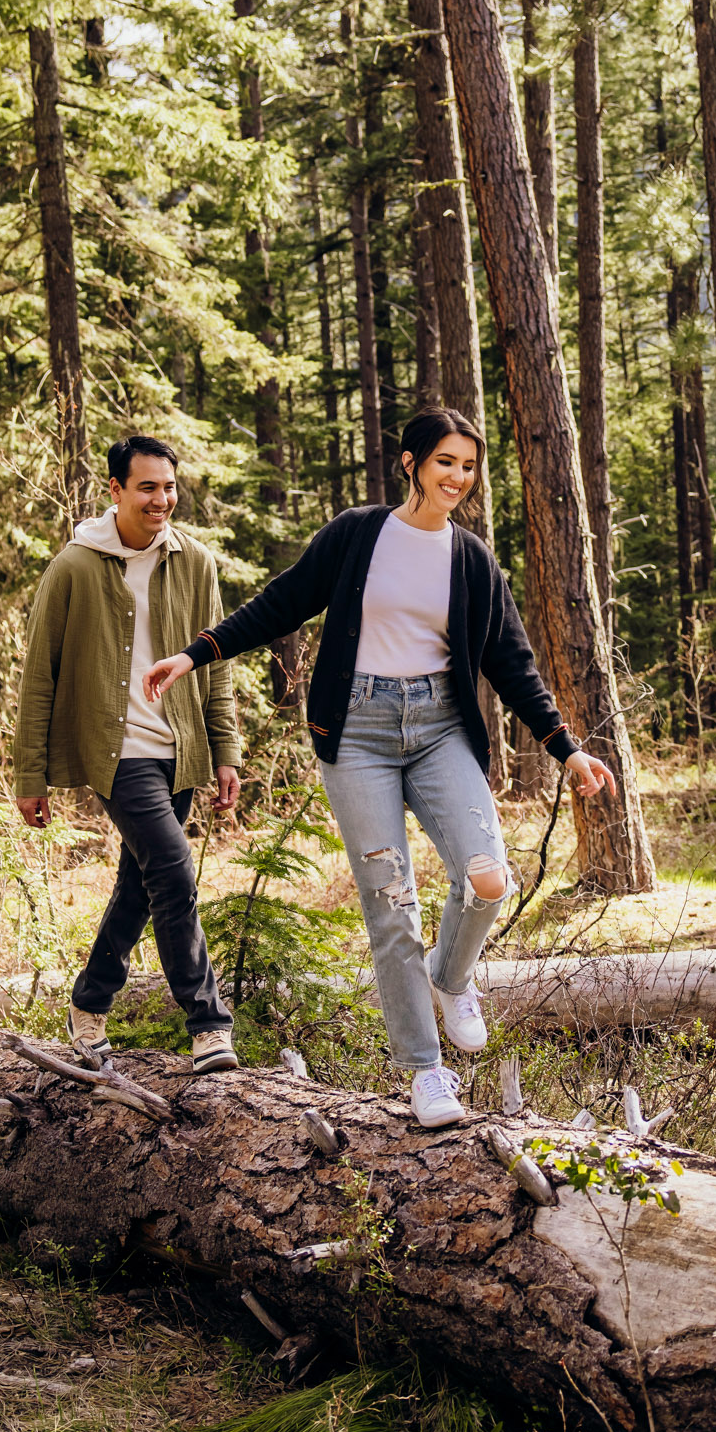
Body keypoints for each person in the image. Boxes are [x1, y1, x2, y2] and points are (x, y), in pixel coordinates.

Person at [143, 408, 616, 1127]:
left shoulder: (471, 560)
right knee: (392, 905)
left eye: (467, 466)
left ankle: (450, 976)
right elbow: (283, 603)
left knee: (487, 877)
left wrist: (565, 746)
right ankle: (425, 1075)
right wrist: (196, 652)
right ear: (410, 464)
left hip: (439, 730)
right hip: (357, 733)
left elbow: (510, 663)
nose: (457, 478)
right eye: (444, 463)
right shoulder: (358, 533)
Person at [14, 432, 241, 1074]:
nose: (161, 499)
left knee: (139, 886)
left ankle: (88, 1007)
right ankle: (209, 1028)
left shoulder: (195, 562)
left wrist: (225, 751)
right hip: (116, 753)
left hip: (180, 749)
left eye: (169, 486)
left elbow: (215, 665)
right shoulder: (75, 566)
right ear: (114, 490)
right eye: (146, 487)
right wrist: (30, 775)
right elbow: (40, 675)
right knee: (172, 870)